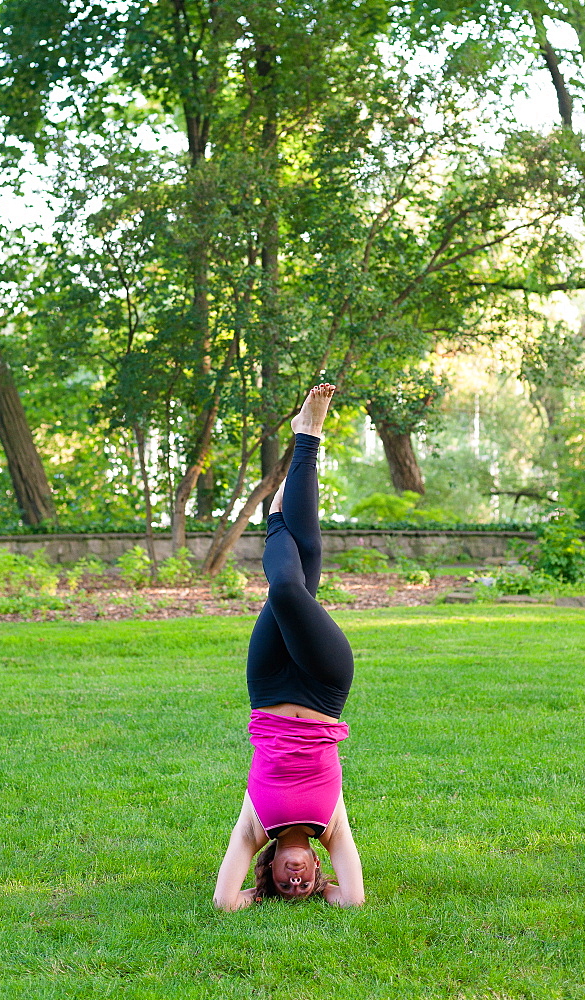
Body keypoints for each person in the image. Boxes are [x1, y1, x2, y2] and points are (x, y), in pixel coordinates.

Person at [213, 383, 365, 910]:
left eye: (284, 883)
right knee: (295, 581)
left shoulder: (254, 827)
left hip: (270, 682)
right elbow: (353, 900)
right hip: (324, 691)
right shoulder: (332, 829)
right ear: (318, 869)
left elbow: (224, 902)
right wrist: (325, 890)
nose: (294, 881)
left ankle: (307, 444)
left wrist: (255, 898)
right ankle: (302, 450)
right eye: (302, 885)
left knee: (298, 577)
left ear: (270, 867)